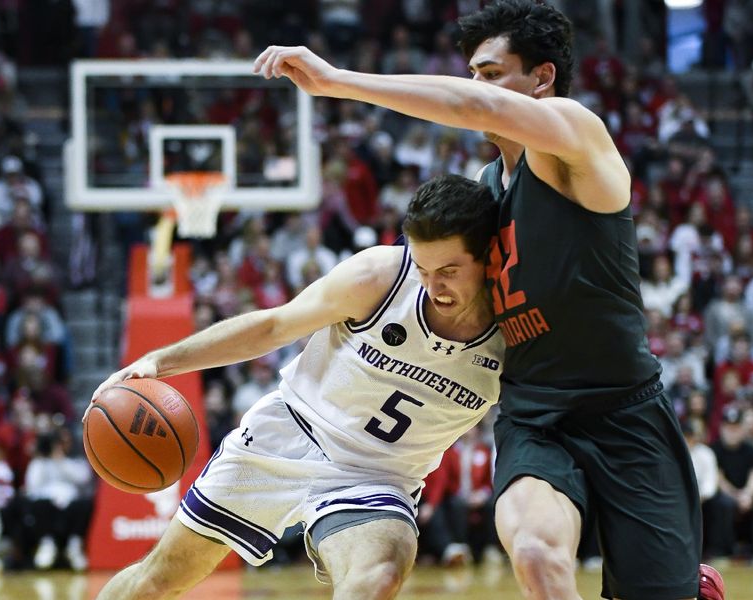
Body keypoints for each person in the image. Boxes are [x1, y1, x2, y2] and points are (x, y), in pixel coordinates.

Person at [253, 2, 724, 599]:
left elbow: (470, 107)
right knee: (533, 551)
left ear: (542, 79)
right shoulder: (485, 189)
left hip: (625, 411)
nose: (476, 87)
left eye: (491, 72)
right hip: (536, 417)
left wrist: (335, 81)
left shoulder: (576, 137)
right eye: (472, 72)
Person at [88, 174, 505, 600]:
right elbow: (273, 326)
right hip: (287, 435)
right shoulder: (380, 277)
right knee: (156, 581)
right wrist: (160, 361)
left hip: (379, 478)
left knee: (376, 578)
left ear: (487, 258)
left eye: (449, 272)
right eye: (424, 268)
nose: (434, 287)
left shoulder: (516, 337)